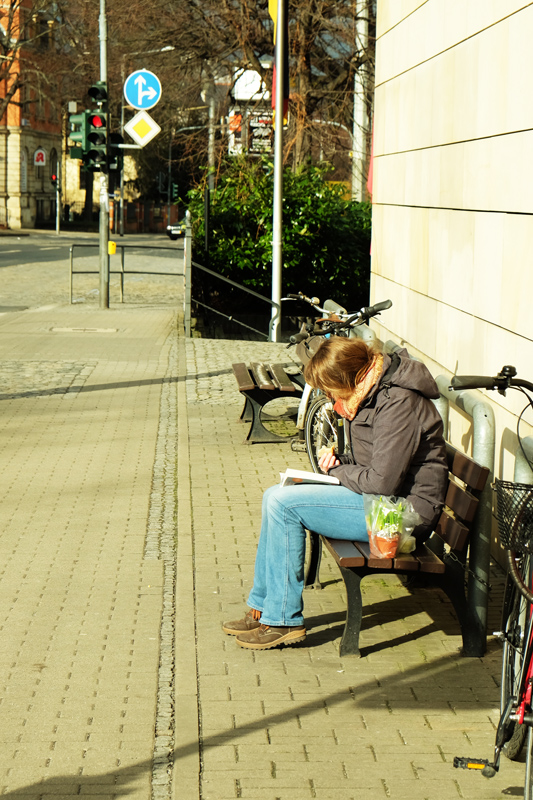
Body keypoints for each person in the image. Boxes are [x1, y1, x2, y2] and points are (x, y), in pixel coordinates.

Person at [222, 337, 448, 651]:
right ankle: (263, 608)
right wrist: (342, 462)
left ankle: (282, 620)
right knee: (275, 495)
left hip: (403, 517)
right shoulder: (370, 392)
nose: (329, 397)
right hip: (384, 504)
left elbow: (382, 483)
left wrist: (336, 472)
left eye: (330, 389)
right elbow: (376, 467)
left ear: (349, 379)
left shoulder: (398, 403)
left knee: (283, 504)